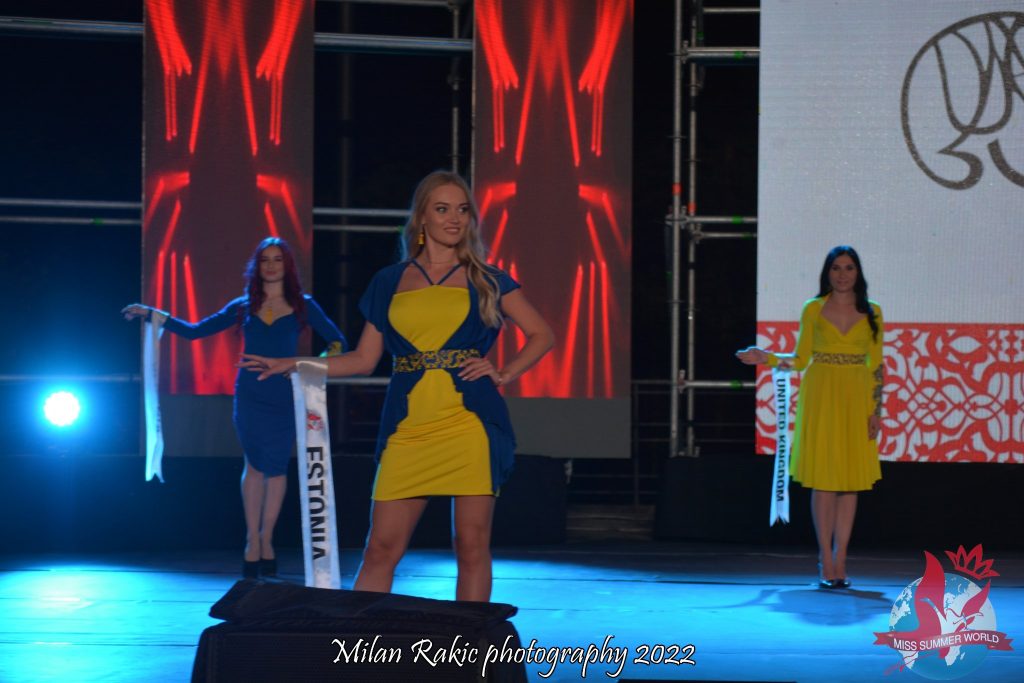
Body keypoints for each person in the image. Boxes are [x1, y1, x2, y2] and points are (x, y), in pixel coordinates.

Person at [241, 170, 554, 601]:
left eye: (462, 210)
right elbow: (363, 359)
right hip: (408, 429)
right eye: (442, 209)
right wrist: (294, 363)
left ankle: (471, 642)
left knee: (471, 545)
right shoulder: (389, 280)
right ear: (422, 217)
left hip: (469, 425)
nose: (454, 218)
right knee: (380, 549)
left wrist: (503, 372)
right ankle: (359, 642)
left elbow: (542, 334)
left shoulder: (487, 278)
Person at [122, 237, 346, 579]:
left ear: (287, 266)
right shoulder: (242, 307)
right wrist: (154, 315)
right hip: (251, 396)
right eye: (265, 260)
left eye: (277, 259)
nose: (271, 266)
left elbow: (338, 342)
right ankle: (251, 540)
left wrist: (305, 367)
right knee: (254, 465)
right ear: (257, 267)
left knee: (277, 468)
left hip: (285, 396)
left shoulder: (304, 305)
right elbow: (195, 332)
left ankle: (268, 539)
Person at [736, 245, 883, 589]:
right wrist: (767, 357)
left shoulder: (873, 311)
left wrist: (875, 411)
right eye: (836, 268)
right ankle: (825, 559)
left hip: (856, 397)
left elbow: (876, 365)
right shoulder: (813, 308)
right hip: (822, 396)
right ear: (827, 272)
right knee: (825, 479)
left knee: (850, 481)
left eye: (848, 268)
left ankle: (841, 558)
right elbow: (801, 360)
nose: (842, 274)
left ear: (858, 272)